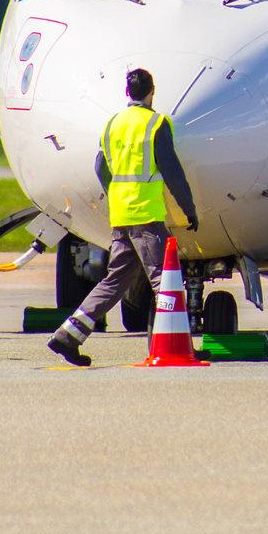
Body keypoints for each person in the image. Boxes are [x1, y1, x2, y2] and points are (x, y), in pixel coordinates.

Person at [48, 67, 199, 366]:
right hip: (146, 216)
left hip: (121, 215)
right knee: (165, 281)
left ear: (127, 93)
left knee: (115, 281)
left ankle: (68, 335)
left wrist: (116, 193)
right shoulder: (156, 124)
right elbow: (171, 170)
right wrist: (188, 207)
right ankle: (177, 347)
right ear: (152, 92)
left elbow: (99, 167)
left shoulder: (112, 124)